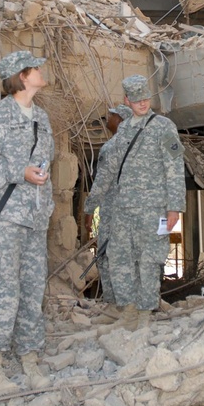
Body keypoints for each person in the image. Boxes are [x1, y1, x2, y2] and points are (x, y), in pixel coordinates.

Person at [0, 50, 54, 396]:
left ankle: (29, 361)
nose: (41, 71)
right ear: (21, 76)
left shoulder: (42, 118)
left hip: (34, 218)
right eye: (36, 68)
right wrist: (19, 173)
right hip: (3, 219)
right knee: (3, 291)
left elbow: (45, 165)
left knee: (33, 290)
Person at [86, 74, 185, 330]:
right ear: (127, 100)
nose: (142, 103)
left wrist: (175, 207)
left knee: (149, 261)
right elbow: (108, 173)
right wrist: (91, 204)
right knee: (120, 260)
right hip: (122, 210)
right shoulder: (123, 131)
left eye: (146, 98)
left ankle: (144, 315)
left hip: (152, 209)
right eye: (137, 99)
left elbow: (174, 167)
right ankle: (128, 311)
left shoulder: (163, 127)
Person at [84, 104, 133, 304]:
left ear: (120, 120)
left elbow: (101, 183)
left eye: (111, 115)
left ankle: (116, 307)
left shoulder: (112, 147)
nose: (107, 118)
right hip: (135, 216)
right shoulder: (139, 146)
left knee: (107, 259)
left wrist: (89, 210)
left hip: (114, 215)